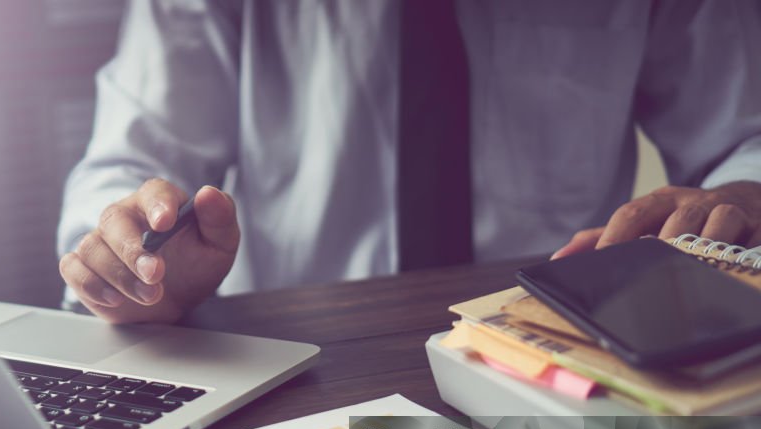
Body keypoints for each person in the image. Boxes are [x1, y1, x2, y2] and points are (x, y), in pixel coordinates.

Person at [58, 0, 761, 324]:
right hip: (306, 367)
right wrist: (138, 269)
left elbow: (746, 134)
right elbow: (128, 164)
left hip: (552, 364)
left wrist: (743, 192)